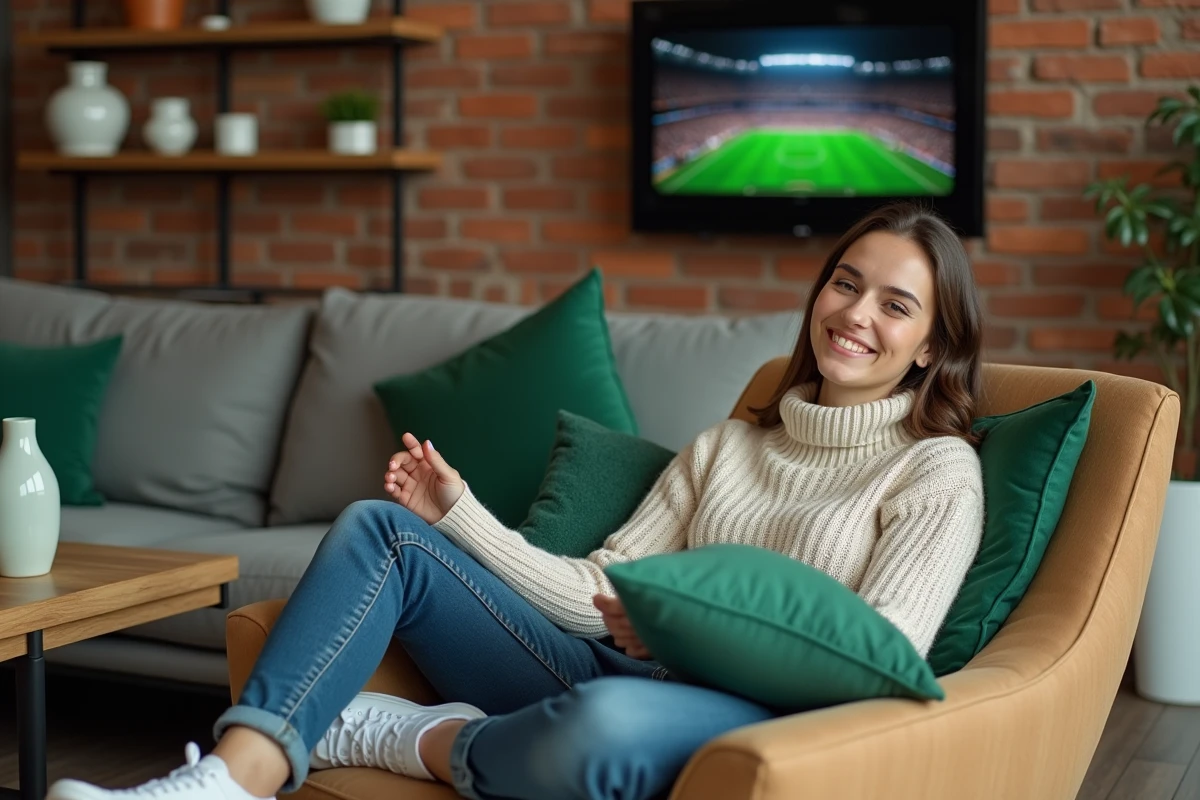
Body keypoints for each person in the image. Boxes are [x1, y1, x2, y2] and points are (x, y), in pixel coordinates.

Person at [49, 200, 985, 800]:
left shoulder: (935, 471)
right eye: (845, 283)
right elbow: (594, 591)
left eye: (895, 305)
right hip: (601, 664)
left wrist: (691, 634)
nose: (855, 315)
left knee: (605, 729)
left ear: (933, 347)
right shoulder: (727, 445)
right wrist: (460, 516)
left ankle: (421, 738)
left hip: (752, 715)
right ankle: (225, 781)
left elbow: (883, 657)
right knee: (383, 529)